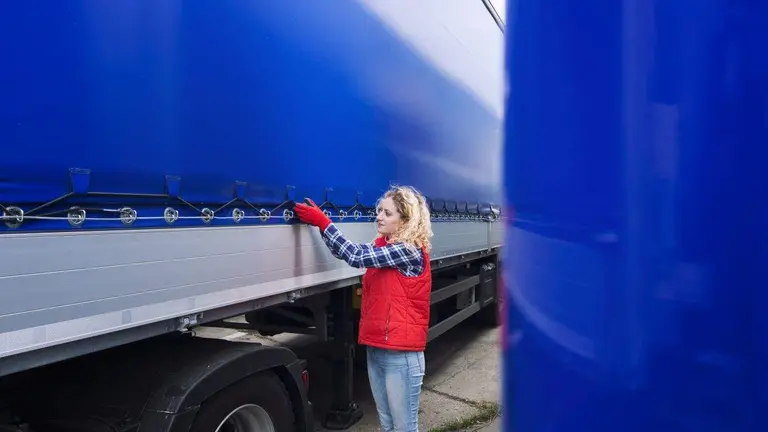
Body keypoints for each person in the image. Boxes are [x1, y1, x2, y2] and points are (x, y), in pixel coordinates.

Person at [294, 185, 433, 432]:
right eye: (379, 211)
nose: (379, 216)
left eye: (387, 213)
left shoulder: (408, 251)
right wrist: (322, 227)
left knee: (403, 428)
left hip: (401, 355)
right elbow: (346, 252)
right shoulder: (383, 248)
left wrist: (323, 222)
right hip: (377, 349)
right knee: (387, 425)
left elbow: (356, 256)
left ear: (406, 220)